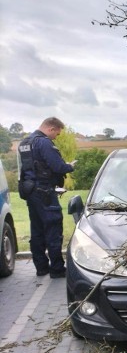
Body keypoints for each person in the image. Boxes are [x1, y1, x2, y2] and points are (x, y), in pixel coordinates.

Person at [18, 117, 76, 278]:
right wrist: (69, 166)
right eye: (56, 134)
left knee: (37, 230)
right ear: (51, 128)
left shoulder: (24, 143)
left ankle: (41, 267)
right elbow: (57, 166)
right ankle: (57, 269)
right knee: (53, 229)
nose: (56, 137)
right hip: (44, 192)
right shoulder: (43, 142)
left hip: (30, 191)